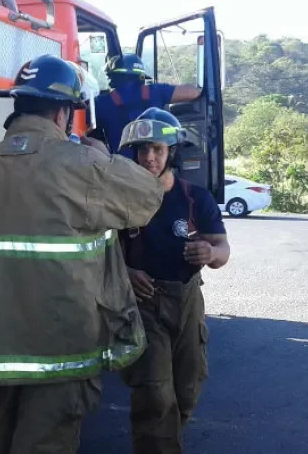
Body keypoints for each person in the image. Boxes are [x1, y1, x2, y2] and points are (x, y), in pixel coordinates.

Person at [0, 54, 165, 454]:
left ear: (17, 105)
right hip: (58, 352)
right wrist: (97, 152)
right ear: (63, 112)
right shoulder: (81, 163)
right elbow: (147, 196)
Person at [116, 107, 231, 454]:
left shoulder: (196, 198)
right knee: (154, 392)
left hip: (187, 302)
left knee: (187, 389)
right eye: (142, 150)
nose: (149, 157)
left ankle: (164, 445)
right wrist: (125, 273)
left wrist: (210, 255)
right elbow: (100, 253)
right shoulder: (121, 201)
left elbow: (222, 247)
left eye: (157, 150)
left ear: (172, 154)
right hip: (143, 305)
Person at [92, 53, 203, 158]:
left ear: (113, 76)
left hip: (123, 170)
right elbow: (194, 92)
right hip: (156, 164)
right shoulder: (156, 91)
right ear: (141, 75)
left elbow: (83, 133)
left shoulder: (101, 102)